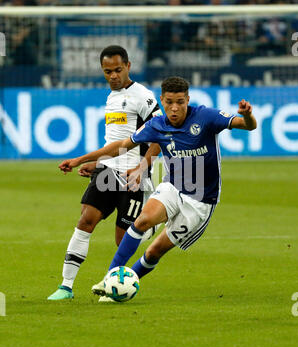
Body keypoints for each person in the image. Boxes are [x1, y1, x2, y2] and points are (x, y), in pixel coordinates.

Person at [57, 76, 257, 302]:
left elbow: (247, 126)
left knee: (153, 252)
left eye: (180, 102)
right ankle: (110, 279)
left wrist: (248, 115)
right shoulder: (157, 125)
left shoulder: (206, 117)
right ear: (162, 100)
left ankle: (125, 281)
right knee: (142, 221)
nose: (174, 108)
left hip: (201, 200)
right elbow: (121, 146)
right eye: (169, 102)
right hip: (173, 187)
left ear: (188, 100)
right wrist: (79, 160)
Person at [47, 45, 162, 300]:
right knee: (85, 221)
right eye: (107, 71)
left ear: (128, 66)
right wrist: (98, 164)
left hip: (133, 178)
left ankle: (117, 282)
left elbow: (160, 134)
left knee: (123, 241)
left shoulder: (142, 96)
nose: (113, 76)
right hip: (108, 171)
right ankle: (65, 286)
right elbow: (116, 142)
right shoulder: (111, 97)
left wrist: (143, 165)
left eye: (118, 70)